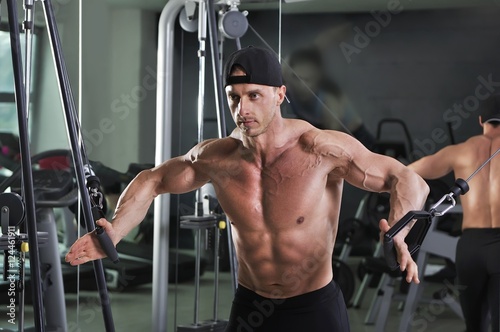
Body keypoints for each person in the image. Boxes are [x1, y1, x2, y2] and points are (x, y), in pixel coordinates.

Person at [65, 46, 429, 332]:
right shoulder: (216, 157)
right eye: (234, 97)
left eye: (254, 95)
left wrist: (400, 233)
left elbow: (409, 179)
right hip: (251, 305)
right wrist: (115, 229)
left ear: (280, 94)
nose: (242, 108)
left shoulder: (320, 150)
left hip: (313, 307)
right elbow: (153, 179)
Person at [408, 93, 500, 332]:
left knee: (475, 326)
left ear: (481, 120)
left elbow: (407, 172)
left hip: (470, 248)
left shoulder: (460, 151)